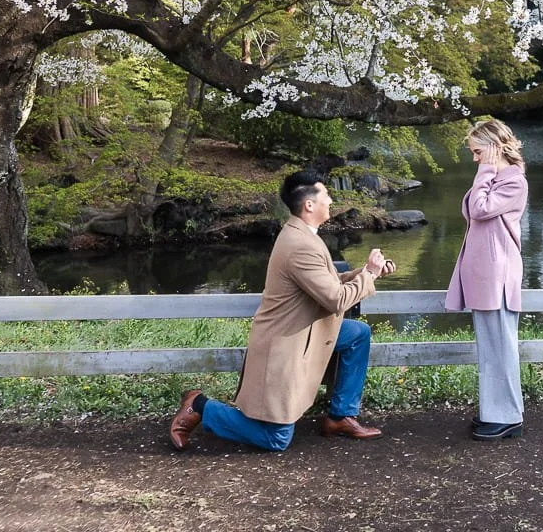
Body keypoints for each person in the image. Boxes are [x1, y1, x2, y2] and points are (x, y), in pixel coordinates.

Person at [168, 169, 395, 451]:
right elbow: (336, 300)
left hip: (306, 333)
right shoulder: (300, 244)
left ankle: (340, 416)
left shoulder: (303, 235)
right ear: (309, 204)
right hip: (286, 346)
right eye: (326, 194)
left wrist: (366, 273)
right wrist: (369, 274)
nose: (332, 199)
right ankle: (200, 406)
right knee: (276, 439)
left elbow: (327, 283)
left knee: (357, 334)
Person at [445, 119, 529, 440]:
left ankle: (507, 417)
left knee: (501, 347)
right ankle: (497, 412)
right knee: (491, 347)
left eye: (478, 152)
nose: (475, 159)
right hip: (485, 275)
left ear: (495, 148)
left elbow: (479, 209)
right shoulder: (496, 178)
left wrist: (486, 172)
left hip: (498, 276)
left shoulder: (512, 182)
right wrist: (486, 173)